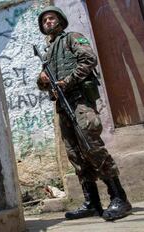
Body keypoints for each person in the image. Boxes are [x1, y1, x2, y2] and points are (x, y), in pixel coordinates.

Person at [36, 6, 132, 221]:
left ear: (60, 20)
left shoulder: (72, 38)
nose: (48, 22)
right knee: (75, 153)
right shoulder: (48, 53)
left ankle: (119, 198)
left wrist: (67, 82)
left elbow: (88, 60)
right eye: (44, 21)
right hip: (63, 106)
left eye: (51, 18)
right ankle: (92, 203)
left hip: (80, 101)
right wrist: (42, 80)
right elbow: (45, 83)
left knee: (91, 145)